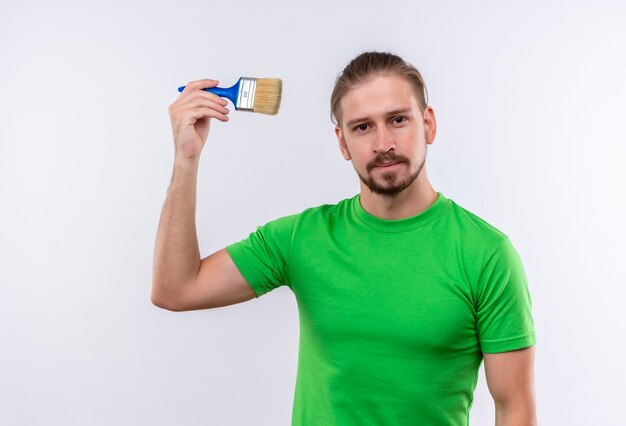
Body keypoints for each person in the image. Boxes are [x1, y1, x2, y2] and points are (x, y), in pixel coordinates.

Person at [152, 51, 537, 426]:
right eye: (362, 126)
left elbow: (515, 409)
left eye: (398, 119)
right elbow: (176, 290)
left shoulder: (486, 254)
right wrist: (186, 159)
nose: (383, 142)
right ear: (342, 142)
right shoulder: (301, 238)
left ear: (429, 124)